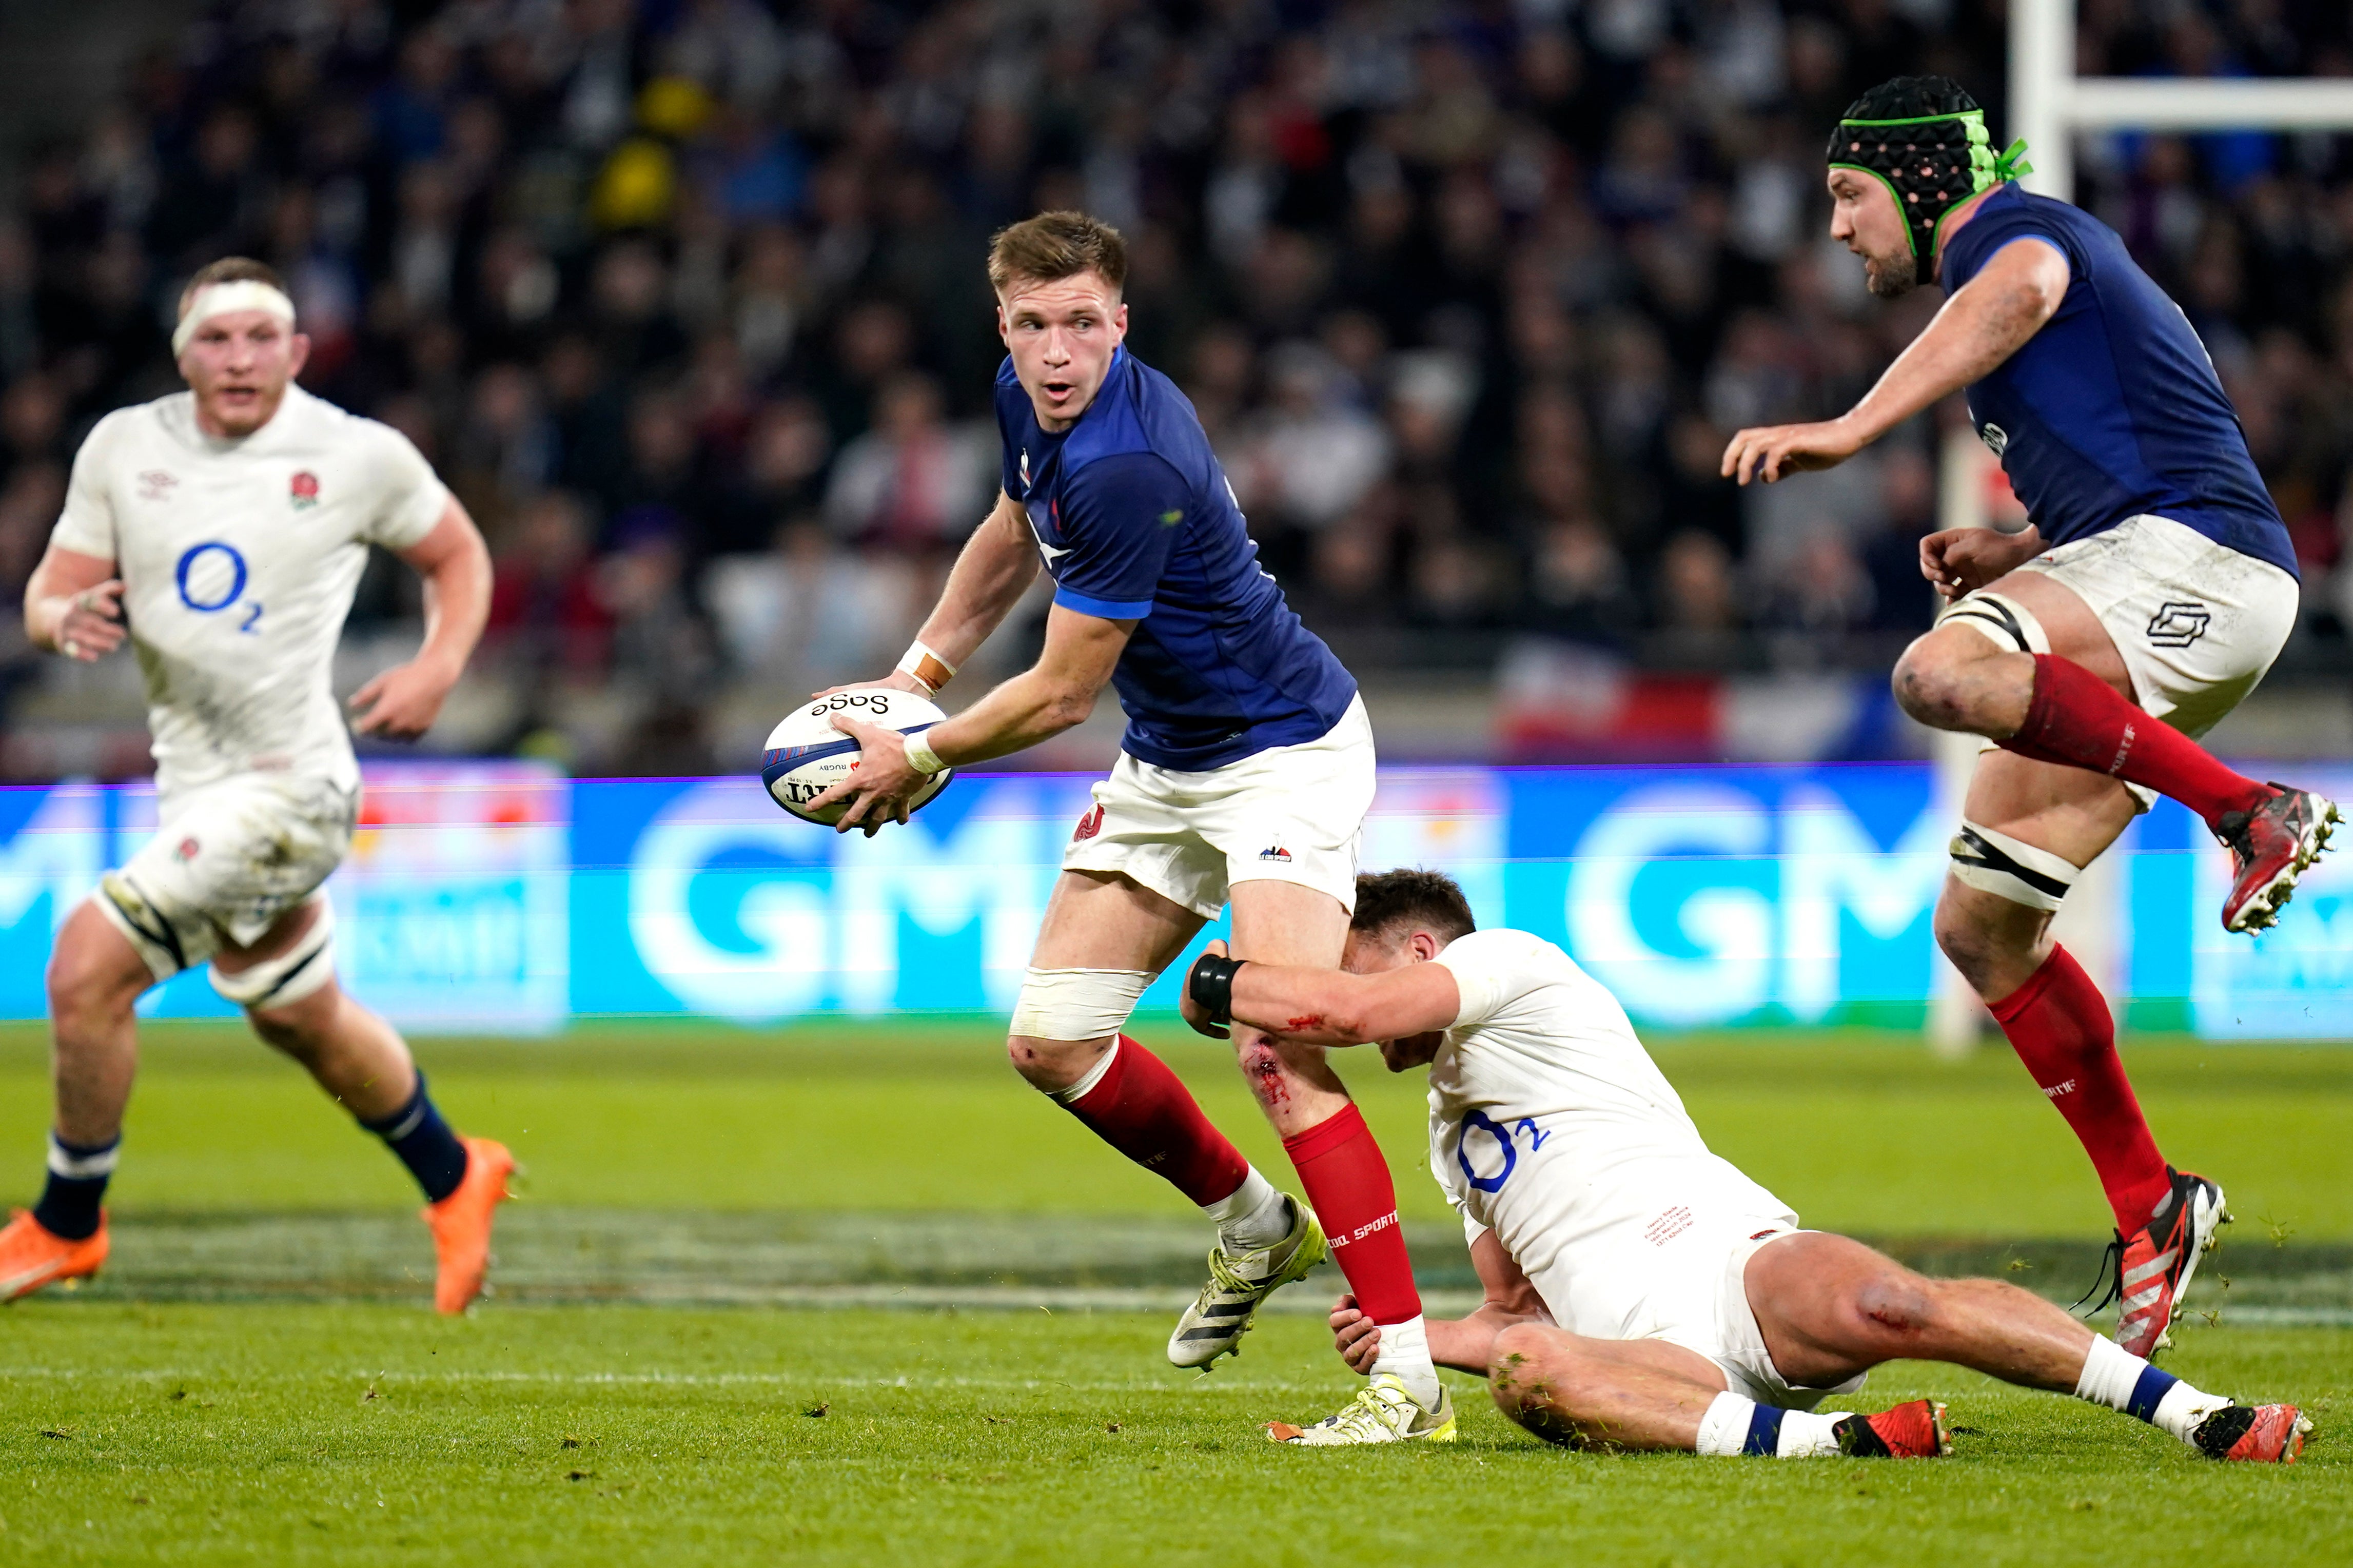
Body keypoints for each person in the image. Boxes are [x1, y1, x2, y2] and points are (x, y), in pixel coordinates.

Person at [1719, 76, 2337, 1359]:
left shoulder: (2013, 241)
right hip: (2165, 569)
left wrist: (1846, 430)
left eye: (1848, 194)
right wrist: (2014, 551)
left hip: (2198, 567)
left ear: (1921, 180)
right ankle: (2154, 1207)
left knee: (1938, 677)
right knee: (1984, 930)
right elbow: (2139, 460)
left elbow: (2022, 294)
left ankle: (2247, 809)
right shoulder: (2036, 262)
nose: (1836, 229)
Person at [807, 211, 1445, 1426]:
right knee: (1050, 1043)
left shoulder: (1126, 461)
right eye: (1033, 326)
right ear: (1002, 326)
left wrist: (918, 755)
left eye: (1083, 325)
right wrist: (915, 678)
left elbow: (1058, 695)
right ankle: (1256, 1227)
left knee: (1278, 1039)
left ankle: (1409, 1381)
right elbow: (1009, 531)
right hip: (1167, 759)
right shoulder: (1024, 404)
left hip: (1279, 755)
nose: (1056, 354)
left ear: (1123, 324)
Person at [1179, 868, 2308, 1463]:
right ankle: (1834, 1445)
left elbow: (1342, 1005)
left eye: (1364, 971)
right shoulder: (1444, 1129)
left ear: (1424, 949)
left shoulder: (1505, 964)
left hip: (1728, 1266)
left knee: (1892, 1299)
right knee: (1527, 1369)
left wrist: (1228, 984)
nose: (1363, 1035)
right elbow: (1507, 1308)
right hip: (1646, 1362)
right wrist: (1418, 1341)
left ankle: (2196, 1413)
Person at [0, 258, 511, 1314]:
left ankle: (65, 1221)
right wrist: (62, 619)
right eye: (216, 340)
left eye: (259, 339)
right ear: (183, 354)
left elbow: (457, 556)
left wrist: (438, 665)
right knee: (299, 1017)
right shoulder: (123, 447)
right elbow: (50, 589)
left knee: (83, 972)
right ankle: (457, 1174)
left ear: (298, 350)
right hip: (191, 788)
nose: (239, 359)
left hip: (293, 791)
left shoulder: (355, 454)